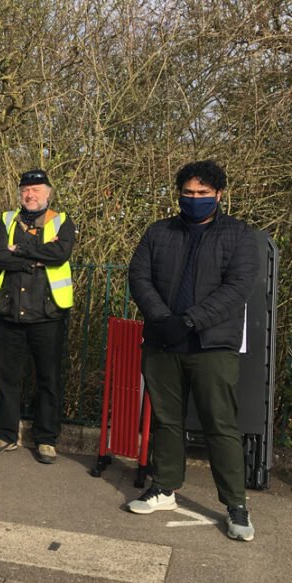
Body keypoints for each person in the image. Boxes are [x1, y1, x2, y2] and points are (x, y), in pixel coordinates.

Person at [126, 160, 259, 542]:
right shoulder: (159, 231)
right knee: (167, 420)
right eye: (188, 193)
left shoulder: (238, 235)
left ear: (218, 195)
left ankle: (235, 504)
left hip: (211, 344)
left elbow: (237, 289)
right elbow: (139, 276)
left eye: (202, 193)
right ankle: (164, 487)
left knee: (220, 424)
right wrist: (162, 317)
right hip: (163, 341)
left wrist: (190, 320)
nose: (195, 199)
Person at [0, 169, 74, 464]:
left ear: (48, 192)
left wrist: (19, 250)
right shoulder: (7, 220)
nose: (29, 194)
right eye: (25, 190)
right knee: (7, 377)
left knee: (48, 378)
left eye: (35, 189)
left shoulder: (62, 220)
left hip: (48, 313)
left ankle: (46, 439)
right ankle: (5, 434)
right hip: (10, 312)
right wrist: (34, 258)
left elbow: (60, 253)